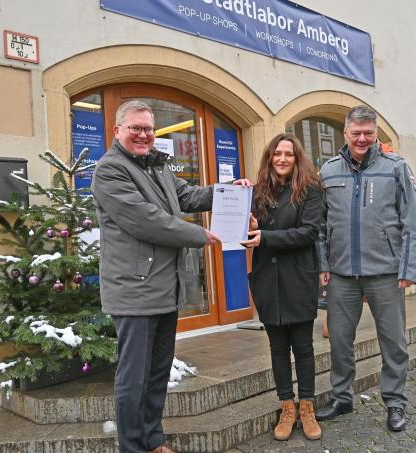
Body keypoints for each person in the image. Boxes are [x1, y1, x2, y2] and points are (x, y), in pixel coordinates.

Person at [92, 100, 250, 453]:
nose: (143, 134)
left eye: (148, 128)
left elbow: (189, 196)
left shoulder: (157, 167)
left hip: (164, 286)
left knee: (158, 372)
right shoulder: (110, 171)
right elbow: (145, 220)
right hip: (134, 290)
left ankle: (152, 439)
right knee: (134, 377)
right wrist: (200, 235)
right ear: (118, 130)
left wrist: (229, 192)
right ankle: (132, 447)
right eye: (135, 128)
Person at [315, 106, 416, 432]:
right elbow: (319, 226)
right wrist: (324, 265)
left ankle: (394, 402)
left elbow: (415, 222)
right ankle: (342, 397)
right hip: (342, 274)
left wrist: (409, 267)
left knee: (393, 342)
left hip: (386, 273)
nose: (362, 139)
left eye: (368, 133)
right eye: (356, 133)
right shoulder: (329, 171)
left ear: (375, 133)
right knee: (338, 341)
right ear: (346, 134)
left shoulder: (396, 167)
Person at [241, 133, 323, 441]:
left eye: (288, 153)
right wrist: (244, 222)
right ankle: (286, 407)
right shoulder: (258, 191)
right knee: (277, 349)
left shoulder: (311, 189)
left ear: (297, 157)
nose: (282, 158)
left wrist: (266, 237)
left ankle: (307, 408)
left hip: (299, 279)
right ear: (269, 158)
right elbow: (247, 234)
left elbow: (308, 232)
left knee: (303, 348)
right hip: (268, 281)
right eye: (277, 153)